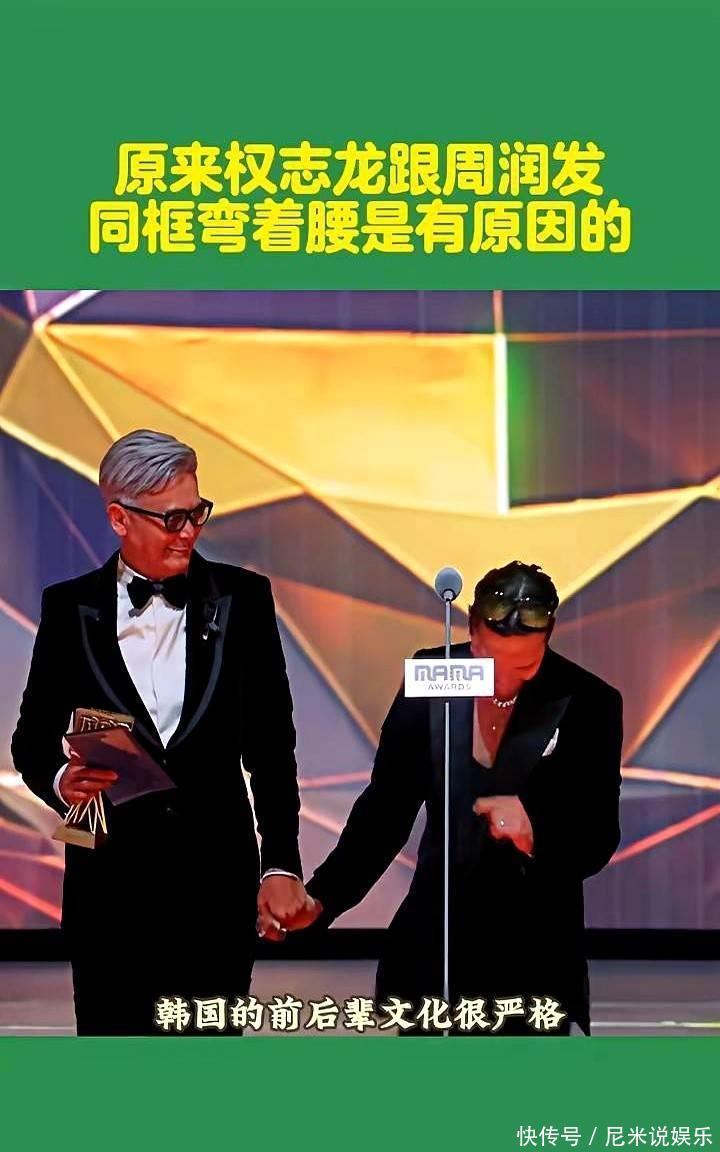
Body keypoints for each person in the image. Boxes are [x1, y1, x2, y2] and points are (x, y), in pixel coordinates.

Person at [12, 429, 312, 1035]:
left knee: (204, 1077)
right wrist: (61, 779)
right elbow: (31, 739)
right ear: (119, 519)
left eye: (196, 512)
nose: (188, 532)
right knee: (117, 1077)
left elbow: (271, 748)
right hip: (109, 893)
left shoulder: (244, 600)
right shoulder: (70, 608)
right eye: (171, 518)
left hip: (216, 888)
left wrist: (280, 863)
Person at [261, 561, 623, 1036]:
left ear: (549, 635)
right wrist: (322, 900)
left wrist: (535, 833)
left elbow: (599, 837)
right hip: (435, 948)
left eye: (524, 667)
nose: (504, 680)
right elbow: (385, 811)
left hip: (532, 959)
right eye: (490, 662)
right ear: (472, 629)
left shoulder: (588, 702)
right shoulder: (435, 679)